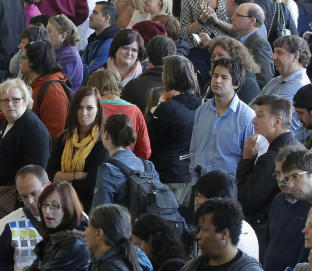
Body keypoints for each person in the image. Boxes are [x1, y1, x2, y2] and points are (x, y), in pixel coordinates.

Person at [0, 79, 52, 231]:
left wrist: (24, 204)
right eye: (5, 100)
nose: (10, 104)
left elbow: (35, 177)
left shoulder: (34, 131)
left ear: (26, 100)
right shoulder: (10, 121)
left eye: (16, 99)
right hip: (0, 197)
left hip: (17, 204)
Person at [23, 180, 91, 271]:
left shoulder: (75, 243)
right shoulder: (54, 236)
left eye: (55, 206)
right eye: (44, 205)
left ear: (68, 207)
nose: (47, 212)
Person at [190, 57, 256, 188]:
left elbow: (250, 160)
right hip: (201, 185)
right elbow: (194, 150)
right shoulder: (201, 110)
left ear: (236, 84)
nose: (217, 81)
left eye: (224, 77)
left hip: (230, 188)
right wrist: (194, 182)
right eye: (215, 76)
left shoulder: (247, 116)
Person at [147, 55, 201, 206]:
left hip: (167, 175)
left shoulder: (168, 108)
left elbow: (149, 138)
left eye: (164, 71)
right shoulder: (199, 103)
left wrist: (160, 103)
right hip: (187, 173)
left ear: (170, 76)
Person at [238, 94, 298, 226]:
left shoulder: (272, 159)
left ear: (277, 121)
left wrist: (247, 160)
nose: (253, 121)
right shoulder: (298, 147)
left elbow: (246, 200)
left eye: (260, 115)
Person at [48, 86, 107, 210]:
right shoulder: (63, 138)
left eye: (89, 108)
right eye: (79, 107)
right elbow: (50, 174)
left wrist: (62, 177)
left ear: (98, 111)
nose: (84, 112)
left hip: (86, 208)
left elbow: (92, 184)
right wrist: (78, 175)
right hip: (58, 203)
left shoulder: (102, 143)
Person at [93, 113, 161, 208]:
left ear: (106, 134)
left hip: (123, 222)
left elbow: (100, 211)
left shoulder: (108, 169)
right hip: (149, 221)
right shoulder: (148, 165)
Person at [262, 35, 312, 137]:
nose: (273, 57)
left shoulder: (298, 86)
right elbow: (252, 108)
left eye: (280, 53)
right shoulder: (275, 80)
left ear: (296, 57)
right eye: (274, 52)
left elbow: (267, 118)